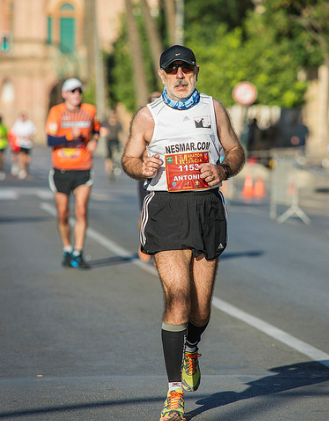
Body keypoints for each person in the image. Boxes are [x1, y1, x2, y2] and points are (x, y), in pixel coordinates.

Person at [121, 45, 245, 421]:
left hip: (206, 207)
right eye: (172, 70)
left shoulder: (213, 108)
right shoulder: (147, 116)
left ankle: (192, 344)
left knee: (200, 309)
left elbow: (236, 150)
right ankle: (174, 394)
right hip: (166, 208)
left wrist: (222, 170)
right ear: (162, 76)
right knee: (177, 299)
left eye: (185, 70)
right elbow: (128, 158)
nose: (179, 76)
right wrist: (142, 166)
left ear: (195, 72)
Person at [46, 78, 100, 270]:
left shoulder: (90, 110)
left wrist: (95, 140)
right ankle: (67, 248)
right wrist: (70, 135)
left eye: (79, 90)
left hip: (83, 168)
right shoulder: (56, 112)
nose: (77, 94)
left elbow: (96, 128)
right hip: (61, 169)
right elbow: (50, 140)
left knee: (81, 211)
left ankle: (78, 252)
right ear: (64, 94)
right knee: (62, 214)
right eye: (72, 91)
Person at [137, 91, 162, 263]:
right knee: (144, 213)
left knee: (164, 215)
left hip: (165, 176)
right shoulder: (141, 124)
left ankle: (161, 249)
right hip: (146, 177)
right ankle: (144, 238)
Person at [10, 112, 37, 179]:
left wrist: (30, 137)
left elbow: (34, 132)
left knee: (27, 158)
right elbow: (13, 132)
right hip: (20, 143)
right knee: (21, 156)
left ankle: (25, 168)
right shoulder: (17, 123)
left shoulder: (29, 123)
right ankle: (22, 170)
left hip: (28, 144)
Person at [102, 109, 123, 180]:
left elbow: (120, 133)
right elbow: (103, 131)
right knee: (109, 157)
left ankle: (116, 167)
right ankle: (109, 170)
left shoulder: (118, 123)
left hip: (116, 140)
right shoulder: (106, 123)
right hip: (109, 141)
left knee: (116, 156)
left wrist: (122, 142)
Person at [0, 115, 8, 180]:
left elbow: (6, 135)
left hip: (2, 145)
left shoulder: (3, 127)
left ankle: (1, 171)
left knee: (1, 159)